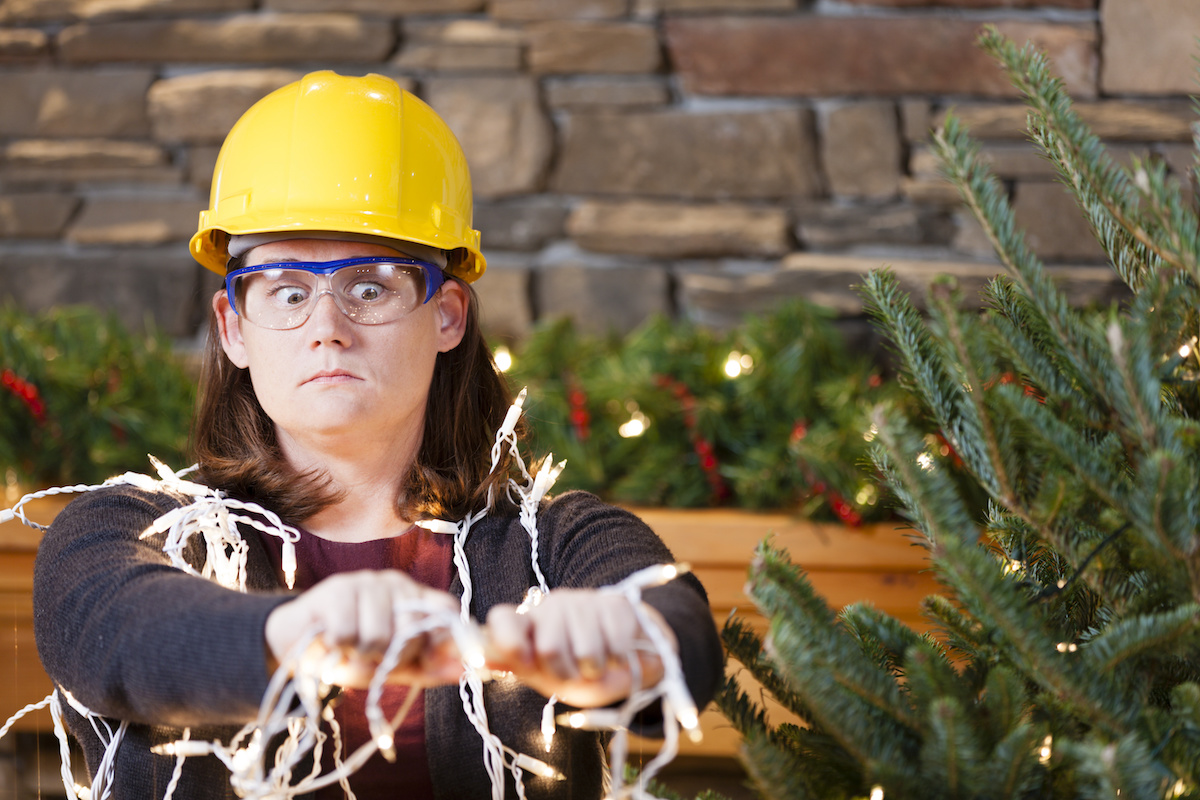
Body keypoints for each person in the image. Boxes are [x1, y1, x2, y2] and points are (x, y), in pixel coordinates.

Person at [32, 71, 723, 800]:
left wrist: (626, 643)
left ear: (448, 315)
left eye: (370, 286)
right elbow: (117, 635)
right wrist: (300, 633)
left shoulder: (555, 542)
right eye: (287, 292)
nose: (327, 329)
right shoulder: (126, 533)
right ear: (235, 327)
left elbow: (679, 627)